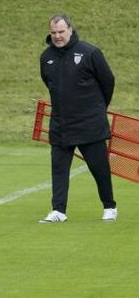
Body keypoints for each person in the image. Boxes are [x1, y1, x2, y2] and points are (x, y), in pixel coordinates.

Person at [39, 13, 117, 223]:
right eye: (54, 32)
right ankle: (59, 210)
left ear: (70, 30)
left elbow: (108, 81)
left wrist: (98, 108)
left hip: (89, 123)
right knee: (59, 169)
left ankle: (109, 206)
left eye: (61, 32)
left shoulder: (90, 53)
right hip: (61, 124)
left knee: (99, 167)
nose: (57, 36)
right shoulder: (46, 57)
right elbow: (50, 84)